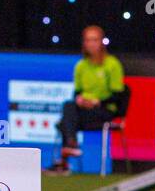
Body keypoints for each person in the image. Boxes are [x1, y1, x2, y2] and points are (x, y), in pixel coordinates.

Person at [49, 25, 124, 174]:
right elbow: (77, 93)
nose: (91, 44)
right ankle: (71, 145)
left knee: (67, 118)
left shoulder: (112, 65)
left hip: (104, 110)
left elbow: (118, 96)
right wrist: (80, 100)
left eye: (95, 40)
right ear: (84, 43)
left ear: (102, 42)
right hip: (84, 111)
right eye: (88, 40)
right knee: (69, 107)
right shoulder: (81, 66)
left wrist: (97, 102)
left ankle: (65, 160)